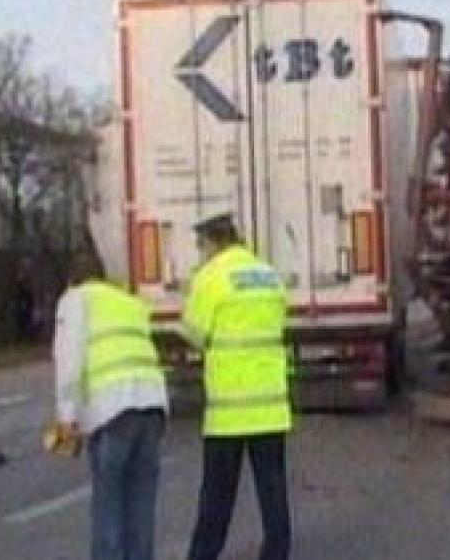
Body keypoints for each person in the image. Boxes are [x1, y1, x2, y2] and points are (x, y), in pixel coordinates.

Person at [182, 213, 293, 560]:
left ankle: (203, 555)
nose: (200, 253)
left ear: (212, 243)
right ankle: (276, 553)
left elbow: (194, 334)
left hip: (228, 411)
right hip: (271, 408)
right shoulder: (268, 275)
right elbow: (280, 325)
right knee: (273, 492)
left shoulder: (211, 277)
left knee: (217, 495)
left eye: (201, 246)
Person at [45, 259, 169, 560]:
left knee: (108, 501)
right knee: (142, 501)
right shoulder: (129, 302)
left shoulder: (76, 299)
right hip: (152, 404)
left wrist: (67, 418)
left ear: (72, 280)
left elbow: (69, 359)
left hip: (112, 408)